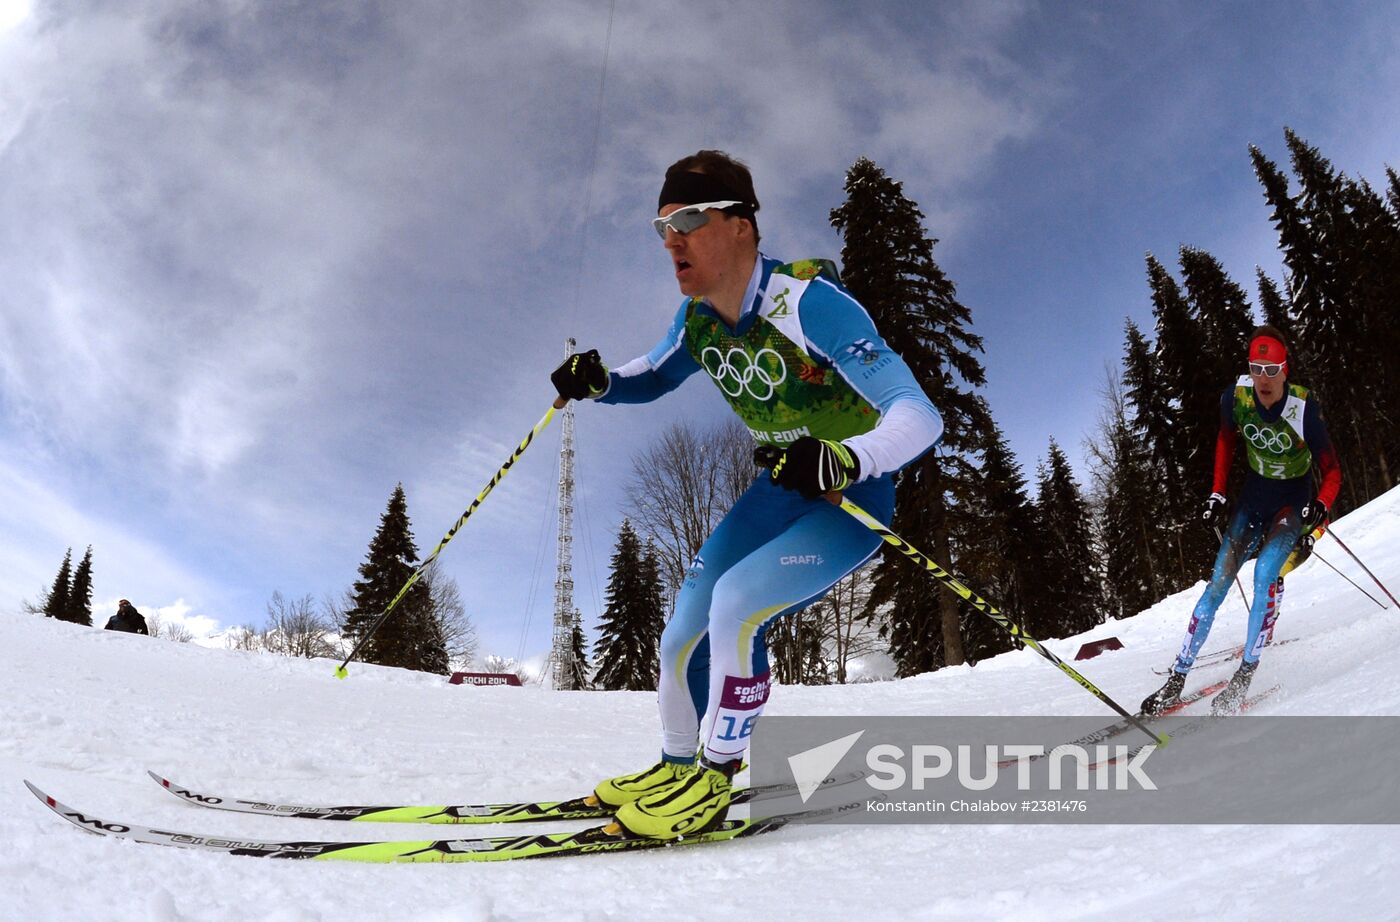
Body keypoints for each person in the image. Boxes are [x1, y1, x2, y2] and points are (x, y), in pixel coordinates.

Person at [551, 150, 942, 839]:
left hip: (851, 495)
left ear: (741, 226)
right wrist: (599, 381)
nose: (672, 238)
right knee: (684, 622)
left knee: (735, 606)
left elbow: (917, 414)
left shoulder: (809, 304)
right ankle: (675, 766)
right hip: (779, 490)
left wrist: (845, 457)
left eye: (691, 219)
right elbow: (651, 375)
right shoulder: (698, 321)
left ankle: (714, 776)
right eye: (661, 225)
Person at [1142, 325, 1340, 716]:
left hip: (1291, 501)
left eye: (1271, 369)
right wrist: (1217, 491)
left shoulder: (1304, 409)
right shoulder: (1237, 398)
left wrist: (1322, 503)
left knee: (1265, 572)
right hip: (1253, 498)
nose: (1263, 379)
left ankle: (1244, 677)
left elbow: (1332, 469)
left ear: (1286, 369)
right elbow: (1225, 439)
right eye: (1255, 368)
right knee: (1217, 582)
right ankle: (1177, 678)